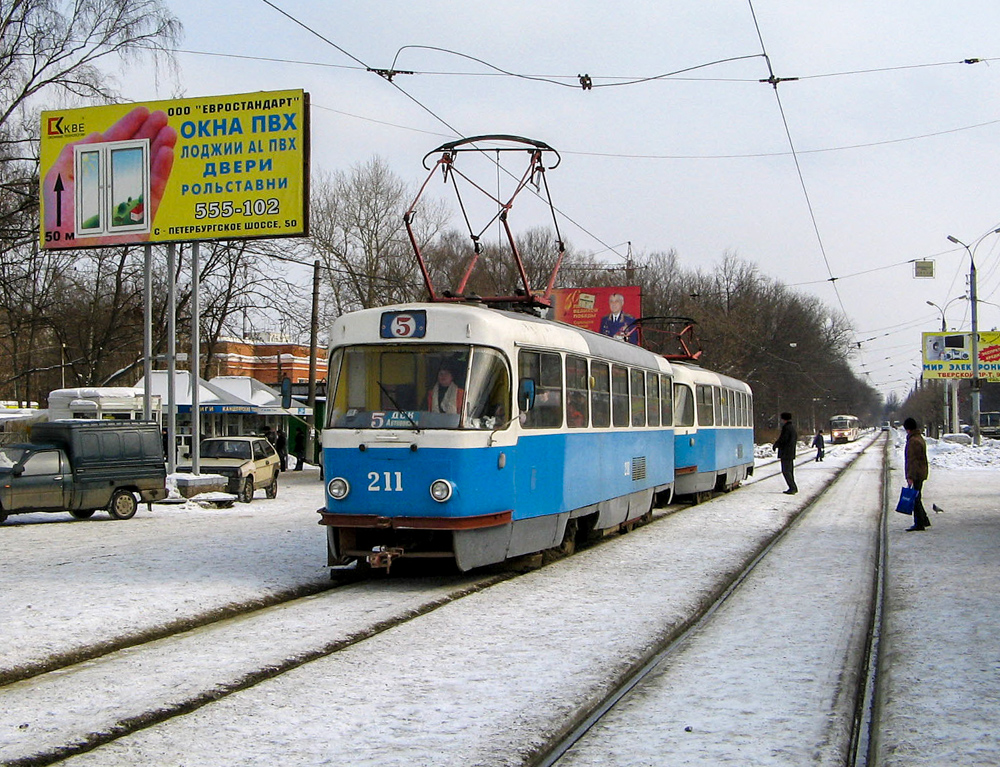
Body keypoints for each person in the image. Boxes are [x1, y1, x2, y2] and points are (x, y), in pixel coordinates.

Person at [903, 417, 932, 531]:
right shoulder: (918, 438)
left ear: (908, 429)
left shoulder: (913, 441)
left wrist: (910, 476)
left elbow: (912, 460)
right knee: (917, 497)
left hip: (917, 473)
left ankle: (919, 523)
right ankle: (923, 520)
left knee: (915, 498)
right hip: (920, 472)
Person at [773, 411, 798, 494]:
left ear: (783, 419)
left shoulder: (786, 428)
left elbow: (784, 439)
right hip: (790, 452)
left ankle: (792, 487)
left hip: (786, 453)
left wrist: (776, 444)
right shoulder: (792, 428)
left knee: (786, 471)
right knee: (790, 471)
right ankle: (793, 487)